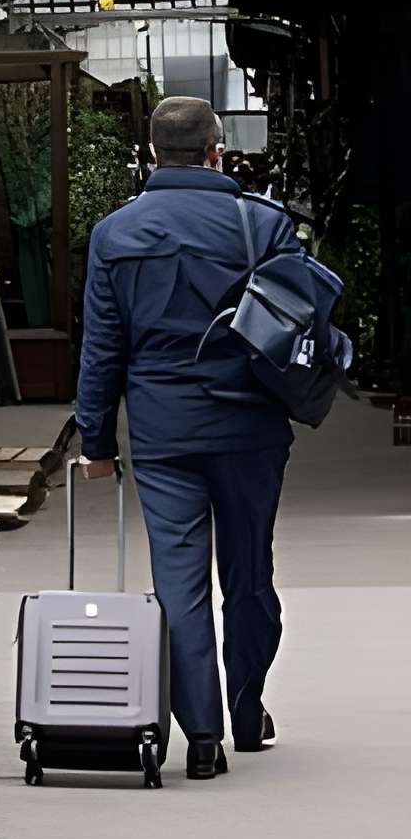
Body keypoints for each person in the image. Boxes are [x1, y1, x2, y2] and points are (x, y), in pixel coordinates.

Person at [73, 96, 303, 781]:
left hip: (162, 430)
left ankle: (200, 736)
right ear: (216, 151)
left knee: (178, 580)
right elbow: (298, 326)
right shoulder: (262, 225)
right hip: (249, 426)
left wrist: (97, 441)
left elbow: (102, 347)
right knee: (248, 571)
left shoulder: (115, 234)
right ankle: (247, 707)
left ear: (151, 154)